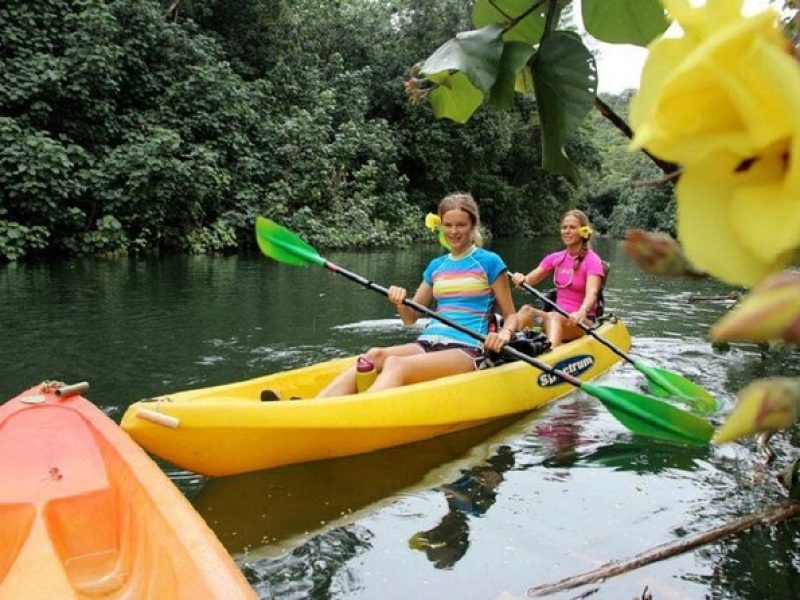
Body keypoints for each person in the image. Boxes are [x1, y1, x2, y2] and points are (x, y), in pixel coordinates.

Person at [319, 192, 517, 397]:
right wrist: (400, 302)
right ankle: (315, 407)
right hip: (427, 342)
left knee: (396, 365)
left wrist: (504, 334)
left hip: (467, 348)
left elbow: (512, 315)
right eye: (448, 225)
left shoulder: (489, 262)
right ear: (441, 226)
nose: (454, 231)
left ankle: (358, 412)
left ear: (473, 225)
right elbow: (410, 319)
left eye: (461, 225)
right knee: (373, 355)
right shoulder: (436, 266)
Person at [510, 209, 604, 347]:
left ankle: (550, 353)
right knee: (526, 310)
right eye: (564, 227)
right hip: (555, 319)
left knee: (553, 316)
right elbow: (528, 281)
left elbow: (592, 294)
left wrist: (581, 312)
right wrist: (520, 279)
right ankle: (505, 346)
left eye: (572, 227)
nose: (567, 231)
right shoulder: (556, 258)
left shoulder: (592, 260)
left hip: (581, 322)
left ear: (583, 231)